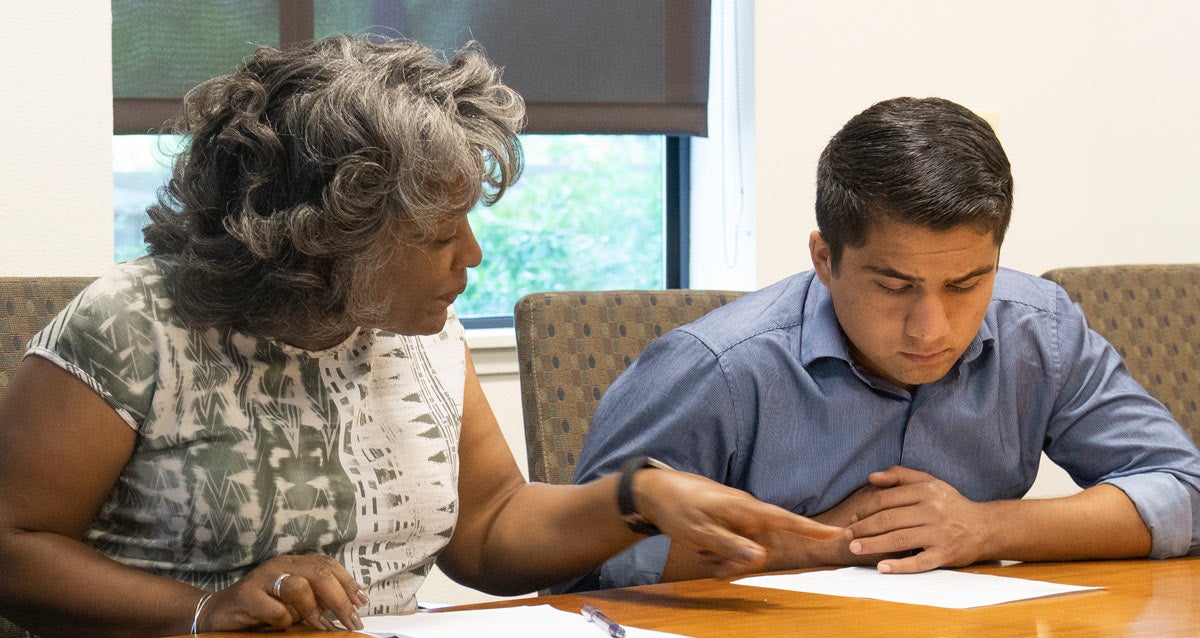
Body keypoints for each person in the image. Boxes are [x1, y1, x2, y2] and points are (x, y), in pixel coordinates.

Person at [0, 36, 842, 637]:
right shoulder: (131, 326)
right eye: (441, 237)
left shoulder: (414, 331)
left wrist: (640, 501)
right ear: (328, 235)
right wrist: (202, 611)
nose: (471, 257)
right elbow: (13, 549)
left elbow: (489, 531)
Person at [563, 96, 1200, 592]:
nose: (932, 328)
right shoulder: (717, 369)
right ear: (824, 257)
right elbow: (578, 565)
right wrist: (822, 543)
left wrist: (981, 527)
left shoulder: (1041, 332)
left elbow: (1185, 490)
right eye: (894, 286)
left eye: (965, 284)